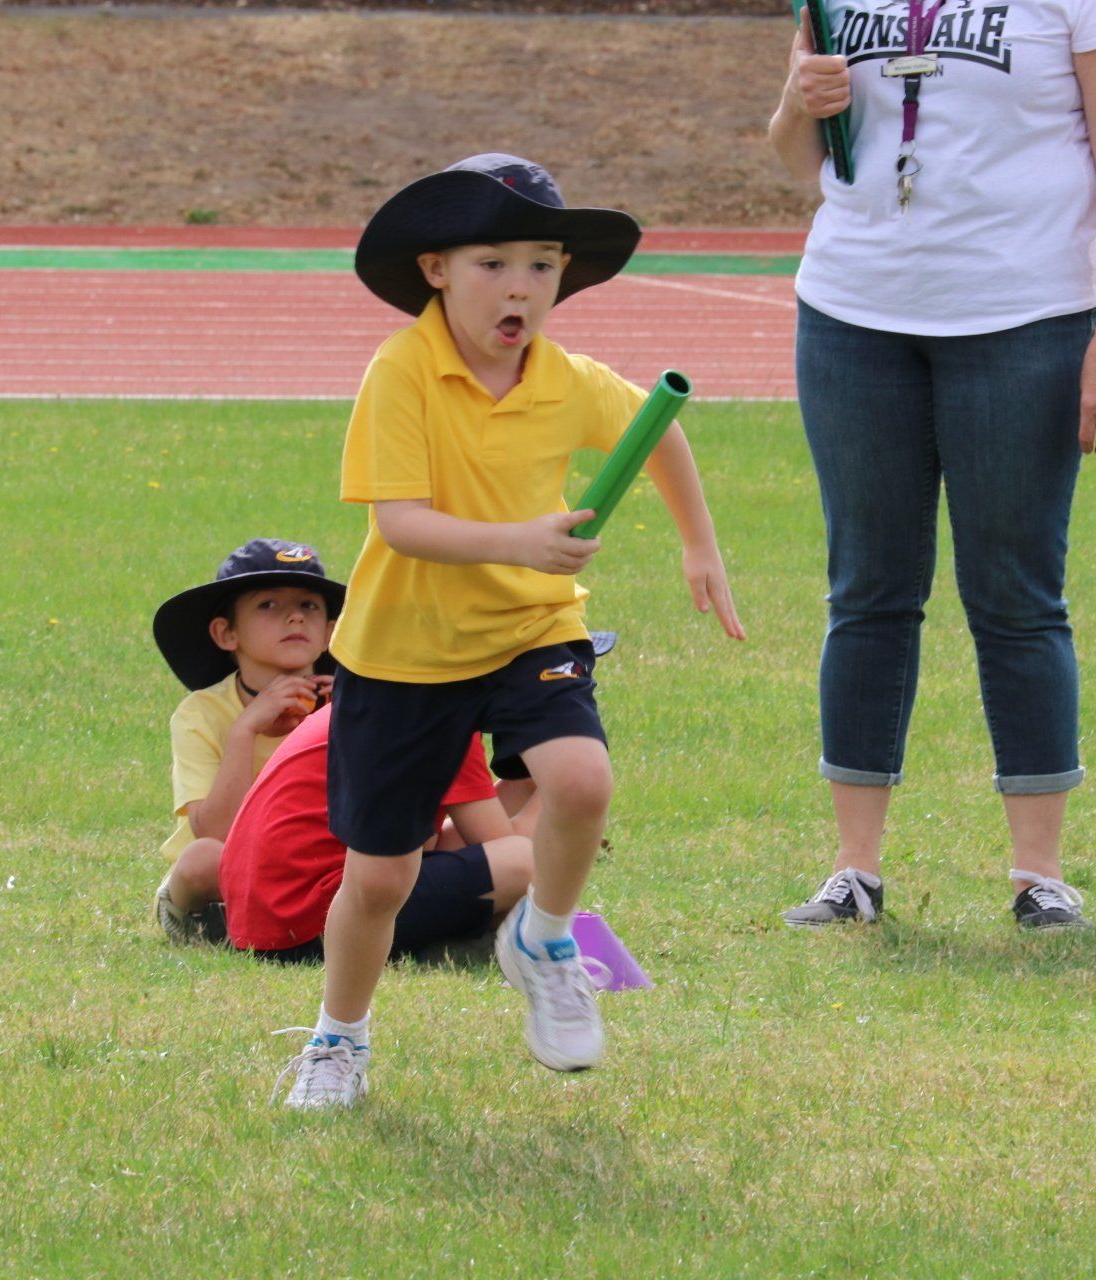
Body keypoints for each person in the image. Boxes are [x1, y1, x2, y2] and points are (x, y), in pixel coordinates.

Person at [275, 153, 745, 1110]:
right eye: (493, 263)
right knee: (378, 881)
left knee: (582, 780)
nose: (521, 286)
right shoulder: (401, 372)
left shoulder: (567, 380)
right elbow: (399, 522)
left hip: (532, 629)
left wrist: (700, 544)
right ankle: (339, 1042)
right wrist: (520, 540)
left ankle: (545, 938)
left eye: (541, 264)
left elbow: (654, 429)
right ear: (437, 271)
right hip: (402, 655)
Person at [769, 1, 1096, 929]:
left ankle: (1040, 876)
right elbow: (807, 162)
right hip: (852, 314)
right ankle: (853, 872)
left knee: (1017, 595)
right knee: (866, 590)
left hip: (1025, 319)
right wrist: (795, 105)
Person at [208, 700, 531, 969]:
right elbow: (506, 850)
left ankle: (444, 945)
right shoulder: (445, 715)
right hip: (316, 921)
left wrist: (528, 780)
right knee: (525, 861)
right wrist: (567, 784)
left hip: (265, 926)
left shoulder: (390, 701)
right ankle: (456, 945)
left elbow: (437, 846)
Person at [150, 539, 340, 944]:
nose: (294, 618)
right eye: (268, 605)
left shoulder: (347, 708)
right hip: (227, 864)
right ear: (225, 633)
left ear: (329, 632)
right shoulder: (201, 713)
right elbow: (214, 832)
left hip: (316, 865)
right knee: (200, 860)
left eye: (309, 605)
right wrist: (245, 730)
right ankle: (196, 917)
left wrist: (346, 718)